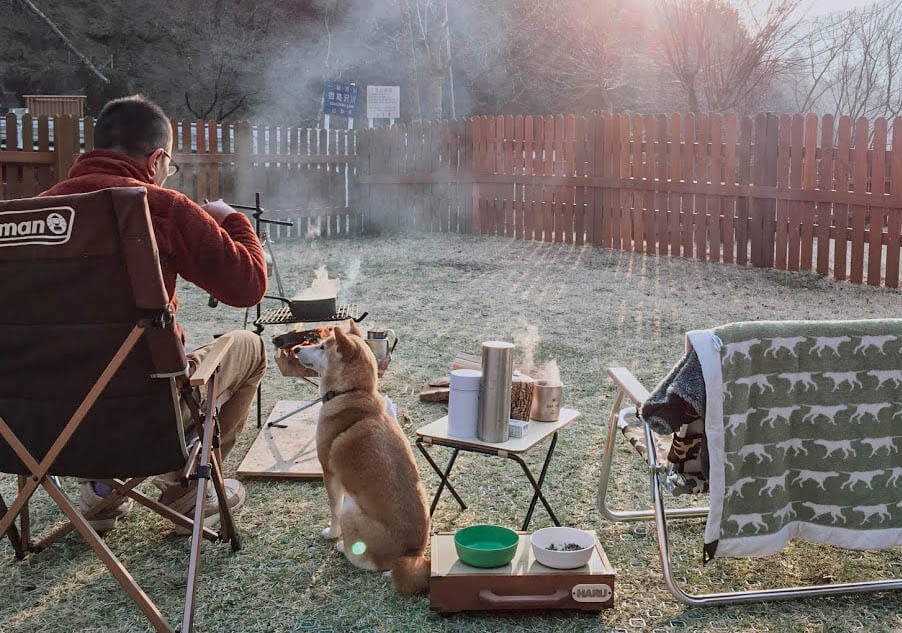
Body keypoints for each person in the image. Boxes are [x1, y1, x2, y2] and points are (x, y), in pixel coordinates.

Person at [40, 94, 267, 533]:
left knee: (87, 358)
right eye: (170, 167)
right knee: (251, 347)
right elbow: (249, 286)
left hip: (50, 424)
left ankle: (101, 489)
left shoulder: (33, 214)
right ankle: (186, 488)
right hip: (146, 416)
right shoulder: (160, 207)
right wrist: (232, 220)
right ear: (158, 158)